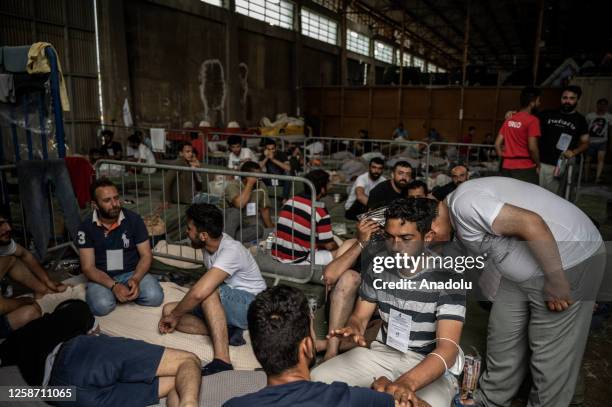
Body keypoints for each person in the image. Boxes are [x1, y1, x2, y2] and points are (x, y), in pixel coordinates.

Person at [438, 177, 604, 407]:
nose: (427, 242)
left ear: (433, 218)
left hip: (567, 261)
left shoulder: (464, 203)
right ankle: (490, 401)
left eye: (426, 236)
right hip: (520, 271)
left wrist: (556, 280)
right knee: (502, 338)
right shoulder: (451, 227)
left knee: (550, 355)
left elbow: (532, 223)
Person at [312, 198, 465, 407]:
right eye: (390, 237)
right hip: (383, 353)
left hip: (426, 363)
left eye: (406, 238)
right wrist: (353, 327)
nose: (395, 246)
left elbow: (447, 350)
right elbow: (360, 316)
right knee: (316, 380)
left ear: (428, 237)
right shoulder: (378, 266)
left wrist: (404, 384)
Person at [0, 299, 201, 407]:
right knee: (189, 360)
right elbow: (90, 325)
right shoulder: (73, 313)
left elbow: (11, 392)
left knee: (178, 380)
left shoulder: (11, 346)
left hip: (60, 395)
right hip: (75, 356)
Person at [224, 285, 395, 407]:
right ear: (306, 346)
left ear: (256, 348)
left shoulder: (234, 405)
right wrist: (385, 391)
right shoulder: (350, 398)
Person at [159, 203, 266, 376]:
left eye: (189, 229)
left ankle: (222, 361)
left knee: (205, 293)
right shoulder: (207, 247)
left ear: (203, 235)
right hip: (226, 302)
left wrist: (176, 316)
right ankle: (229, 331)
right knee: (168, 310)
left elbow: (200, 292)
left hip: (252, 305)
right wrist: (174, 314)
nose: (186, 232)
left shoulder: (231, 250)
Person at [77, 178, 164, 316]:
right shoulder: (86, 227)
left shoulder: (134, 219)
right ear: (95, 205)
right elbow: (88, 267)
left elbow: (146, 255)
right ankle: (116, 294)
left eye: (116, 198)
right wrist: (114, 286)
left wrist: (136, 278)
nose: (115, 204)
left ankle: (125, 294)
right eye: (107, 200)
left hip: (131, 272)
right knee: (101, 306)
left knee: (155, 297)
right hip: (102, 276)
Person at [0, 210, 66, 338]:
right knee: (32, 312)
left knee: (11, 259)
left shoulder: (3, 244)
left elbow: (25, 255)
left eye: (7, 222)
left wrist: (47, 282)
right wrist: (27, 300)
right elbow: (2, 307)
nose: (8, 228)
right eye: (1, 224)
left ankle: (44, 290)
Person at [272, 169, 339, 265]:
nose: (331, 186)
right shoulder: (320, 210)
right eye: (328, 184)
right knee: (344, 253)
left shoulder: (291, 200)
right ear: (322, 189)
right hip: (297, 259)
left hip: (276, 254)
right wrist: (339, 248)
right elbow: (330, 245)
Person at [537, 85, 589, 195]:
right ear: (561, 98)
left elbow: (585, 143)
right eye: (565, 98)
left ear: (577, 100)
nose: (567, 101)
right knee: (536, 196)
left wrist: (574, 152)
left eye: (571, 98)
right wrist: (513, 113)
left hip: (560, 166)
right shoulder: (547, 114)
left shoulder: (580, 120)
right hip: (540, 163)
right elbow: (527, 118)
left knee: (555, 198)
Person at [495, 86, 541, 184]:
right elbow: (533, 148)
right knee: (527, 197)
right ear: (532, 102)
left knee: (508, 197)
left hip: (506, 166)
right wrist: (538, 164)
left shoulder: (509, 119)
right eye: (538, 101)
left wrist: (504, 159)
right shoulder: (533, 120)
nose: (539, 103)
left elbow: (497, 144)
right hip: (525, 167)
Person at [223, 161, 274, 243]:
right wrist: (250, 183)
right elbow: (239, 204)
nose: (259, 178)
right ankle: (226, 243)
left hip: (245, 223)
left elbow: (264, 210)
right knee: (235, 213)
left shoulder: (261, 185)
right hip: (228, 222)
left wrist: (272, 230)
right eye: (257, 176)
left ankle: (227, 241)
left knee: (259, 230)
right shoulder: (233, 185)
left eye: (260, 175)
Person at [162, 142, 204, 206]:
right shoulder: (178, 163)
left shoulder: (188, 162)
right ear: (181, 153)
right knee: (213, 200)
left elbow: (198, 182)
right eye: (187, 151)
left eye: (191, 152)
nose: (190, 154)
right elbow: (167, 181)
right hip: (184, 198)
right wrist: (166, 200)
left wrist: (197, 168)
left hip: (192, 195)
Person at [585, 98, 612, 183]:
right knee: (587, 160)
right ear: (597, 105)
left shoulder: (609, 117)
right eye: (600, 104)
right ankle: (586, 177)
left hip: (602, 142)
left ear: (606, 106)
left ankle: (597, 178)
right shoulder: (590, 116)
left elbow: (610, 130)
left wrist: (610, 143)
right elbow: (585, 129)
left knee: (601, 160)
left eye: (604, 105)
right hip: (590, 141)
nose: (602, 106)